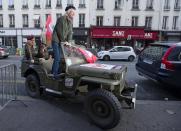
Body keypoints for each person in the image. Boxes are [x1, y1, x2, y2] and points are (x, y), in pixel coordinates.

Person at [51, 5, 76, 79]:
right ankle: (55, 75)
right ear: (68, 12)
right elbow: (59, 32)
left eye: (74, 13)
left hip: (62, 42)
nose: (74, 14)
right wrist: (64, 41)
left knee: (61, 58)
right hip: (56, 41)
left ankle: (54, 72)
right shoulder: (61, 19)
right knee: (58, 58)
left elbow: (70, 33)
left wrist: (69, 42)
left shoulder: (70, 21)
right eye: (72, 13)